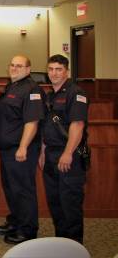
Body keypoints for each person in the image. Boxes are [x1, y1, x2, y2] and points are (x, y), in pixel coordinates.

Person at [0, 55, 45, 244]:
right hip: (8, 150)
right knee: (11, 188)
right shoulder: (11, 87)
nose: (14, 68)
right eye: (12, 65)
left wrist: (23, 147)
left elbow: (32, 121)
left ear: (28, 69)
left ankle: (28, 230)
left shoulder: (32, 89)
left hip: (21, 150)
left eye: (19, 66)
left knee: (23, 190)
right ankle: (16, 221)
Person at [41, 54, 88, 244]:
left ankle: (75, 248)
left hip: (70, 155)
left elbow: (77, 125)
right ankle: (62, 244)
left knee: (70, 204)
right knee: (55, 203)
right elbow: (47, 127)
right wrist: (43, 151)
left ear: (66, 71)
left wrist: (67, 153)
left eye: (58, 69)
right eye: (51, 69)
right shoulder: (50, 95)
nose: (54, 73)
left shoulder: (76, 93)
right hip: (51, 154)